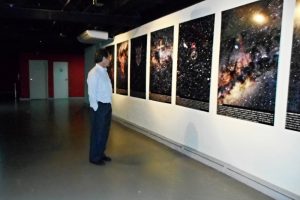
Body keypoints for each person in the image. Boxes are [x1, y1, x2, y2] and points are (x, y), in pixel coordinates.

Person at [87, 48, 112, 165]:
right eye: (108, 57)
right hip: (99, 107)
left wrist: (108, 105)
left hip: (107, 106)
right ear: (103, 58)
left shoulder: (104, 71)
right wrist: (96, 109)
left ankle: (101, 153)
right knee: (97, 132)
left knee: (104, 132)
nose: (109, 60)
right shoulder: (93, 73)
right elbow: (91, 93)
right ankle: (94, 158)